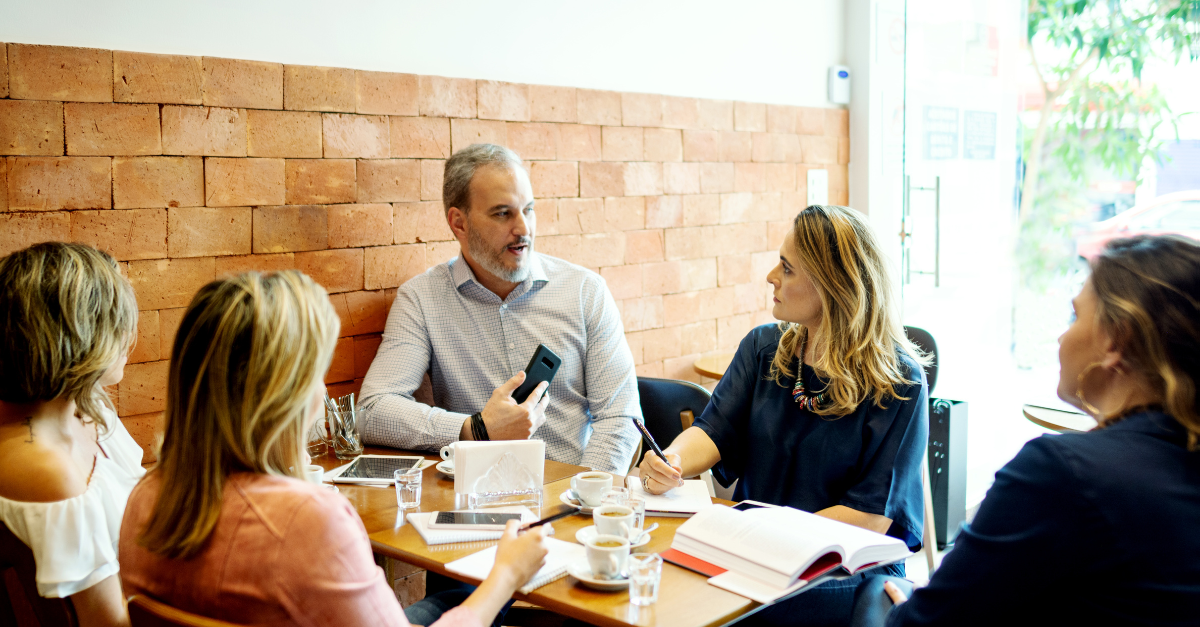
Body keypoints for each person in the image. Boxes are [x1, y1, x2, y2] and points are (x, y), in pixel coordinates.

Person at [118, 271, 550, 627]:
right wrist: (507, 574)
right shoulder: (310, 524)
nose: (321, 392)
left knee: (456, 593)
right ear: (283, 396)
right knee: (482, 592)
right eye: (315, 374)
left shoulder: (144, 499)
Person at [855, 235, 1200, 626]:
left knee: (875, 595)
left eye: (1074, 317)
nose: (1061, 336)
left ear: (1115, 339)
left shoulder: (1064, 473)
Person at [638, 205, 929, 626]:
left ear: (834, 285)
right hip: (756, 556)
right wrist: (672, 459)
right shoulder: (763, 348)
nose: (772, 277)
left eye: (788, 269)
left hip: (845, 570)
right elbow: (712, 430)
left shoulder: (899, 381)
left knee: (718, 610)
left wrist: (765, 538)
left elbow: (869, 515)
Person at [358, 143, 641, 474]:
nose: (523, 229)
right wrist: (476, 429)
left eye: (529, 209)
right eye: (502, 213)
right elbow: (371, 411)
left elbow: (621, 417)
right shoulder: (421, 300)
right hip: (474, 497)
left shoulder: (584, 291)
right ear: (458, 223)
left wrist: (583, 496)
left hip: (572, 499)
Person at [0, 242, 144, 627]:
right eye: (117, 321)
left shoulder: (86, 404)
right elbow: (108, 621)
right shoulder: (46, 470)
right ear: (79, 334)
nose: (131, 335)